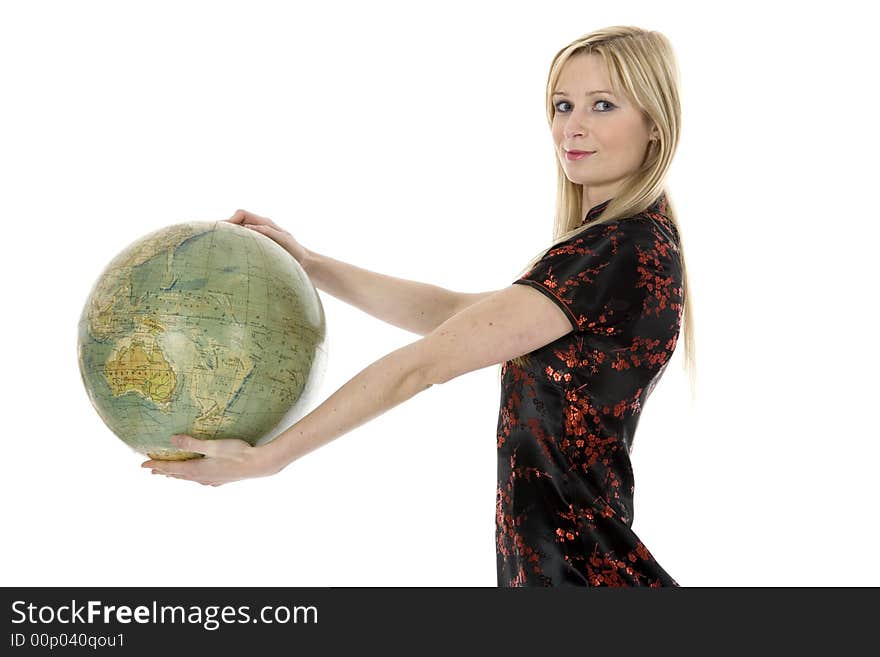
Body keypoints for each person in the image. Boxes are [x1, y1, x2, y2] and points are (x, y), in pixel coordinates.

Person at [142, 25, 695, 588]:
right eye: (562, 104)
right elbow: (450, 313)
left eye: (602, 105)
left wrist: (270, 458)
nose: (572, 126)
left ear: (655, 124)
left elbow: (425, 362)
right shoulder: (617, 248)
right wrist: (311, 264)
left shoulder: (618, 252)